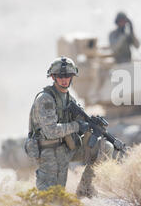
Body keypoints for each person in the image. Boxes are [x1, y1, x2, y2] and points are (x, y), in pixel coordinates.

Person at [28, 56, 114, 198]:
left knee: (106, 148)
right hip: (50, 151)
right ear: (53, 77)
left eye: (68, 75)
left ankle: (85, 191)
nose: (64, 79)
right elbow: (51, 131)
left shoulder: (69, 98)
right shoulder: (45, 99)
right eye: (60, 76)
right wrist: (76, 125)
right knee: (53, 199)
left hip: (67, 148)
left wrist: (90, 124)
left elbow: (79, 121)